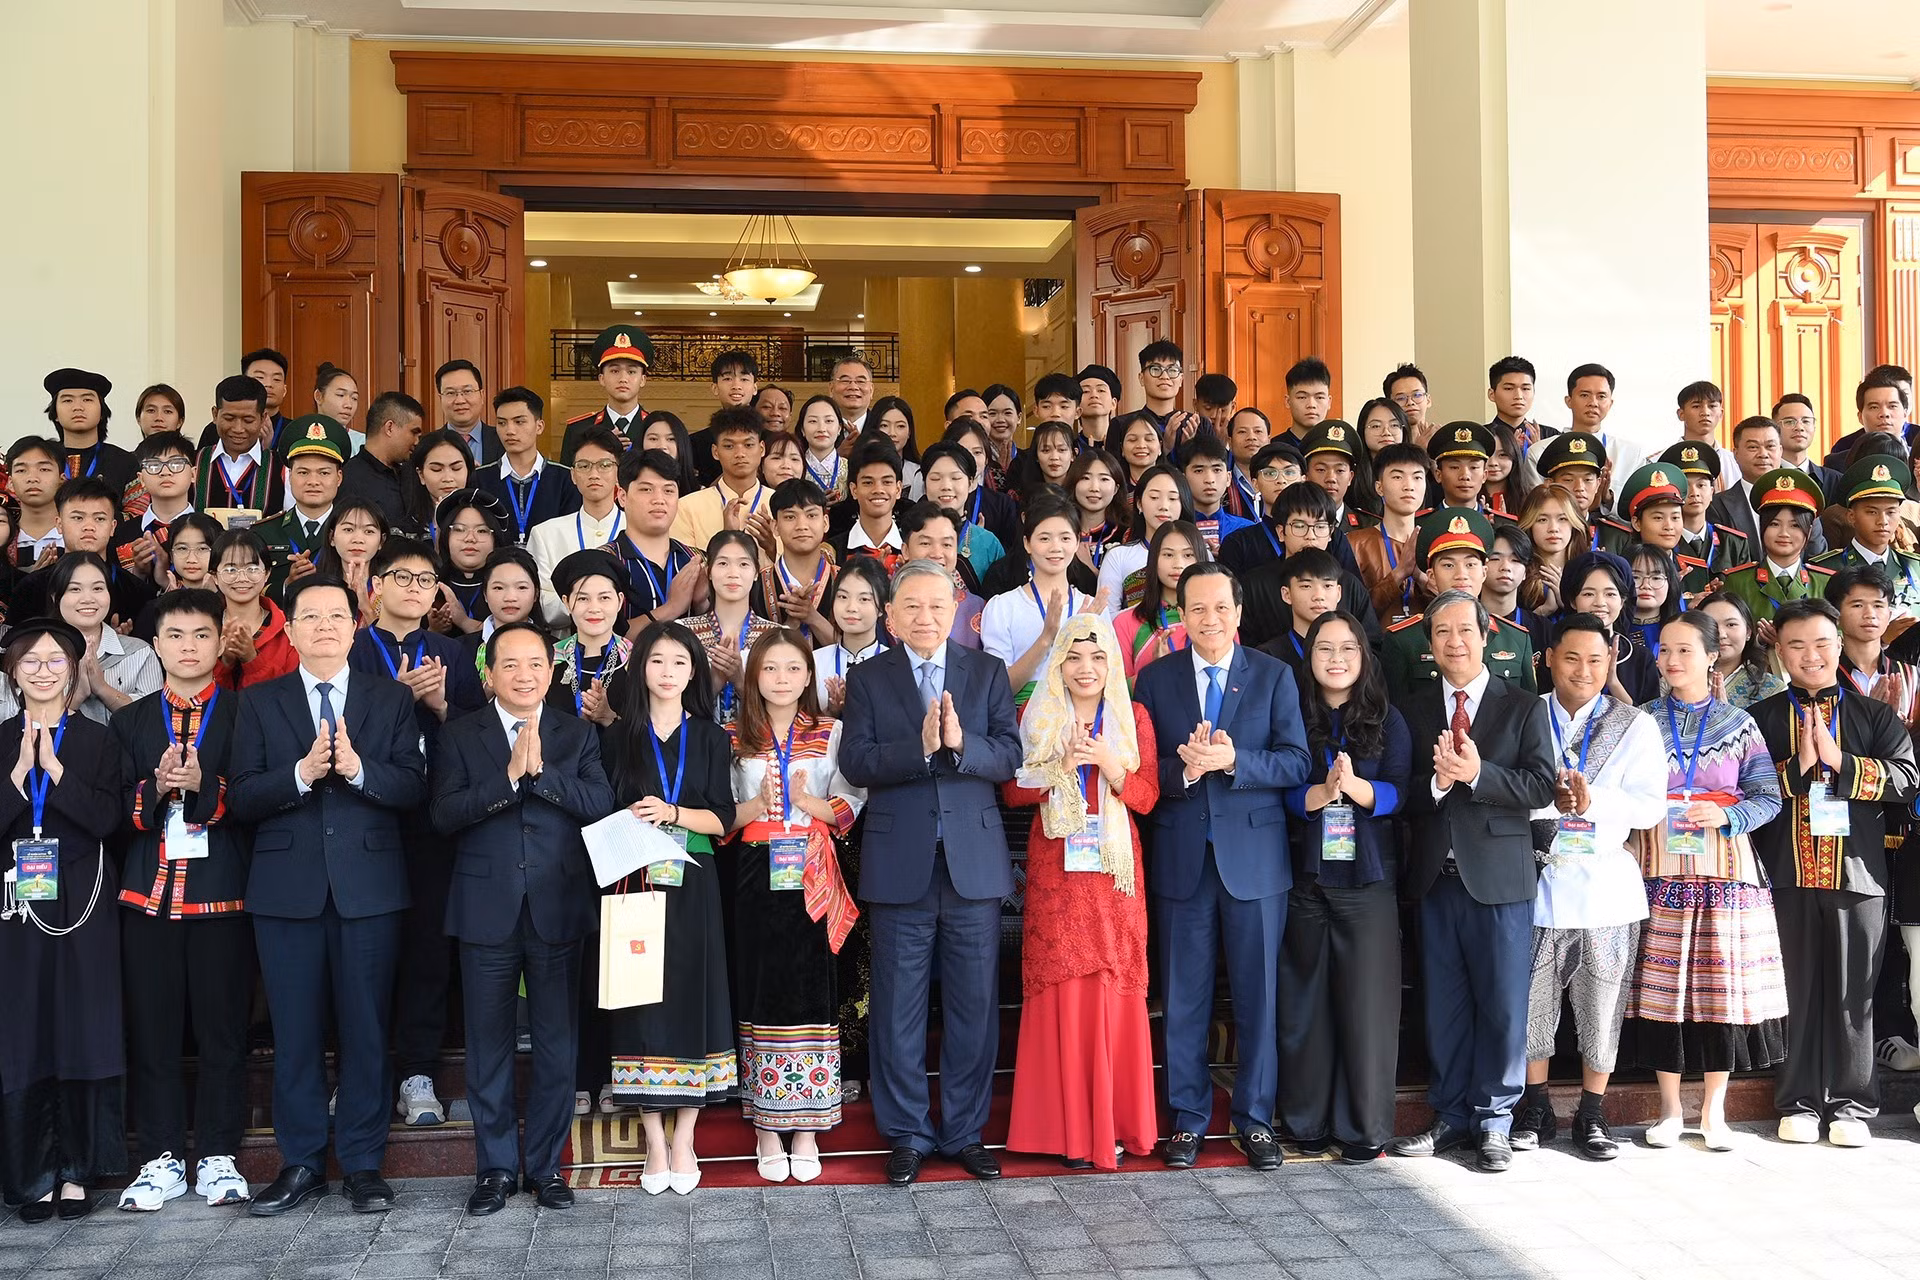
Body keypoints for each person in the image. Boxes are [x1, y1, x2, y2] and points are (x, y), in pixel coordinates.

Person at [228, 576, 428, 1215]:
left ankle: (364, 1164)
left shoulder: (388, 700)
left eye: (335, 616)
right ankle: (302, 1161)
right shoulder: (260, 702)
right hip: (286, 893)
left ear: (355, 623)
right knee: (295, 1030)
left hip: (368, 889)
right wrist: (302, 773)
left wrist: (357, 770)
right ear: (289, 629)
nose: (322, 627)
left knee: (366, 1029)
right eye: (308, 617)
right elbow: (243, 797)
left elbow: (412, 787)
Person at [839, 560, 1022, 1186]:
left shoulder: (987, 671)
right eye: (911, 606)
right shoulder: (868, 679)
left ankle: (965, 1132)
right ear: (890, 616)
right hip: (900, 866)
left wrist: (960, 745)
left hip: (972, 863)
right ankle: (909, 1134)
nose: (925, 617)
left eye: (937, 606)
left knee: (974, 1006)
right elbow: (857, 761)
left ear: (957, 613)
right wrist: (918, 751)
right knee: (898, 1008)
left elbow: (1009, 756)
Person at [431, 621, 613, 1215]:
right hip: (485, 909)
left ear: (552, 670)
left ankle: (546, 1168)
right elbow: (444, 814)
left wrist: (543, 776)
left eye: (535, 663)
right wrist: (507, 778)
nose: (524, 675)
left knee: (558, 1043)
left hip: (558, 904)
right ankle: (495, 1170)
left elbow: (599, 805)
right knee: (489, 1046)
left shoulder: (577, 733)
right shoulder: (460, 735)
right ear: (489, 673)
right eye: (510, 664)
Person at [1133, 562, 1310, 1170]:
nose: (1210, 620)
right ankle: (1186, 1118)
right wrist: (1184, 770)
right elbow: (1140, 773)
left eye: (1221, 608)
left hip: (1256, 862)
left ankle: (1254, 1117)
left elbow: (1295, 763)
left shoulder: (1274, 676)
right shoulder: (1154, 682)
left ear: (1239, 612)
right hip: (1183, 858)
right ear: (1181, 615)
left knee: (1259, 994)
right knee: (1185, 994)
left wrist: (1236, 761)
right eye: (1197, 609)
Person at [1389, 589, 1556, 1173]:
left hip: (1501, 879)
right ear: (1429, 645)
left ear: (1487, 637)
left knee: (1503, 1004)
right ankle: (1450, 1114)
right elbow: (1399, 790)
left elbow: (1541, 788)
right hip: (1437, 879)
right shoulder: (1410, 707)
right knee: (1446, 1004)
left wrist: (1478, 773)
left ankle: (1494, 1120)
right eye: (1441, 633)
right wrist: (1437, 785)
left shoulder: (1523, 706)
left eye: (1465, 630)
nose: (1454, 641)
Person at [1749, 599, 1918, 1146]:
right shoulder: (1765, 717)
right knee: (1794, 991)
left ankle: (1851, 1106)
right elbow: (1743, 792)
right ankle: (1796, 1101)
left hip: (1858, 874)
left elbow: (1907, 780)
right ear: (1781, 652)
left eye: (1822, 643)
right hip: (1785, 875)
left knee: (1855, 995)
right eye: (1796, 644)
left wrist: (1842, 763)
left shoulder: (1874, 716)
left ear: (1840, 645)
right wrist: (1795, 768)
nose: (1810, 655)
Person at [110, 590, 253, 1212]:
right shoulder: (130, 720)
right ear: (157, 644)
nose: (188, 647)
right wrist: (154, 788)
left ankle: (219, 1155)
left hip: (222, 898)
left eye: (201, 635)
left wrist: (206, 788)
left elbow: (260, 799)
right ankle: (160, 1158)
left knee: (223, 1033)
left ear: (220, 640)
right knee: (154, 1033)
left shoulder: (250, 714)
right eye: (175, 635)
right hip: (146, 899)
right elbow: (111, 809)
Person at [1623, 609, 1786, 1150]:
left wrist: (1727, 815)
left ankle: (1714, 1110)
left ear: (1713, 655)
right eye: (1664, 650)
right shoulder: (1641, 720)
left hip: (1725, 874)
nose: (1670, 660)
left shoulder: (1739, 724)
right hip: (1657, 870)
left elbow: (1768, 797)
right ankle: (1669, 1109)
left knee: (1721, 993)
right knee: (1660, 991)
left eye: (1685, 650)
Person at [1002, 614, 1159, 1170]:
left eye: (1097, 657)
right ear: (1059, 665)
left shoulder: (1133, 718)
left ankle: (1111, 1126)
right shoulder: (1037, 716)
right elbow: (1012, 793)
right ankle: (1063, 1130)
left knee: (1112, 984)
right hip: (1057, 872)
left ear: (1111, 663)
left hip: (1114, 876)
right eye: (1074, 657)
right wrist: (1059, 767)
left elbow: (1146, 798)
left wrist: (1113, 767)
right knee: (1061, 984)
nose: (1086, 668)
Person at [1512, 614, 1666, 1161]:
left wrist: (1592, 800)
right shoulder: (1524, 714)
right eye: (1572, 658)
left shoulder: (1635, 725)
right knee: (1533, 998)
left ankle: (1592, 1113)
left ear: (1611, 662)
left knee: (1603, 1000)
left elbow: (1650, 805)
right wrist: (1550, 801)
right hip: (1538, 878)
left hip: (1605, 885)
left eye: (1596, 660)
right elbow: (1508, 787)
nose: (1584, 670)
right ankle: (1533, 1106)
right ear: (1548, 658)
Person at [349, 537, 485, 1129]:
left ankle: (418, 1071)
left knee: (428, 947)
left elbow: (482, 738)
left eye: (425, 579)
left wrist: (439, 707)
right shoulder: (350, 648)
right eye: (400, 577)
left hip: (434, 819)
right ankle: (362, 1073)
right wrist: (391, 703)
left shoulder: (451, 653)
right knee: (365, 953)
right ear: (376, 585)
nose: (412, 588)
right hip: (365, 818)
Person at [600, 623, 737, 1192]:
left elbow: (724, 818)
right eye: (656, 661)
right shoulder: (615, 737)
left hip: (692, 879)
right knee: (640, 1005)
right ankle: (654, 1140)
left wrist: (673, 813)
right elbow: (600, 811)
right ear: (641, 670)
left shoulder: (710, 737)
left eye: (679, 662)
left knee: (692, 998)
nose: (667, 671)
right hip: (632, 882)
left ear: (693, 672)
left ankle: (685, 1139)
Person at [0, 619, 128, 1221]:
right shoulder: (1, 740)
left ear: (74, 669)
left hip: (82, 894)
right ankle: (33, 1176)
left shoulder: (99, 742)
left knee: (81, 1021)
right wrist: (20, 776)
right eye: (32, 661)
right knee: (25, 1026)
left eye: (57, 660)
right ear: (14, 674)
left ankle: (77, 1170)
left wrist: (56, 771)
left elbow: (108, 820)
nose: (45, 670)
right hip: (16, 899)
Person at [726, 629, 864, 1182]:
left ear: (808, 675)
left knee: (811, 986)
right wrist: (753, 805)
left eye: (792, 669)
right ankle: (764, 1125)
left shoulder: (830, 732)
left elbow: (855, 801)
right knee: (760, 985)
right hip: (755, 869)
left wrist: (812, 803)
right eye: (769, 669)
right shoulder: (733, 736)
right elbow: (718, 815)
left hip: (811, 864)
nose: (781, 679)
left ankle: (805, 1125)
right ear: (753, 675)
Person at [1278, 610, 1410, 1163]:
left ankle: (1362, 1129)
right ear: (1309, 657)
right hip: (1304, 876)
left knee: (1366, 1008)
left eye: (1347, 649)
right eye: (1325, 649)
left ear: (1364, 656)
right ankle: (1305, 1122)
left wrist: (1357, 788)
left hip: (1366, 879)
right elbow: (1277, 783)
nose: (1336, 659)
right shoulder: (1289, 711)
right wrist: (1315, 794)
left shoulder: (1389, 718)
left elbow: (1403, 794)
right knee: (1303, 1004)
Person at [1383, 508, 1536, 698]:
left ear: (1484, 572)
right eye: (1448, 565)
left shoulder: (1516, 639)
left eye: (1470, 564)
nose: (1461, 574)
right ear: (1431, 575)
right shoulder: (1404, 640)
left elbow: (1527, 710)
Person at [13, 553, 162, 724]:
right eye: (75, 589)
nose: (88, 599)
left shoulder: (140, 653)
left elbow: (153, 723)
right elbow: (24, 725)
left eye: (98, 588)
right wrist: (76, 697)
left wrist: (102, 689)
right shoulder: (33, 656)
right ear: (55, 596)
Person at [529, 426, 628, 619]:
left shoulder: (637, 529)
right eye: (584, 466)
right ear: (573, 475)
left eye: (605, 465)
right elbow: (540, 600)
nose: (594, 474)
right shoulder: (546, 534)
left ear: (619, 473)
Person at [1717, 467, 1835, 628]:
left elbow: (1837, 636)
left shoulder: (1825, 582)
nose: (1784, 533)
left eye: (1795, 525)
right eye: (1774, 524)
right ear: (1762, 528)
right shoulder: (1738, 581)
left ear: (1808, 532)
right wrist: (1758, 641)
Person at [683, 531, 776, 728]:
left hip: (761, 751)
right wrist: (715, 682)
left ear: (756, 573)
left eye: (743, 564)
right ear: (708, 572)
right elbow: (670, 707)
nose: (733, 573)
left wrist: (740, 682)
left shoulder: (776, 637)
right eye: (723, 563)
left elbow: (785, 709)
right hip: (696, 750)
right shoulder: (682, 634)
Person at [252, 417, 351, 600]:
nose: (313, 481)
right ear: (289, 477)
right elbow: (248, 591)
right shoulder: (262, 532)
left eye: (324, 473)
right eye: (303, 472)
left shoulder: (354, 532)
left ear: (339, 478)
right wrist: (286, 586)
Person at [1811, 455, 1920, 617]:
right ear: (1851, 516)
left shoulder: (1915, 567)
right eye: (1872, 512)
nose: (1883, 521)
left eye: (1891, 512)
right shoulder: (1824, 570)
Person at [477, 388, 575, 546]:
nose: (510, 430)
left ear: (539, 426)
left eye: (519, 422)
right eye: (502, 423)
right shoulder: (480, 479)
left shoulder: (565, 479)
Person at [549, 549, 635, 724]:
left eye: (604, 598)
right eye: (582, 599)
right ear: (566, 602)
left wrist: (609, 717)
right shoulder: (548, 659)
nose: (594, 608)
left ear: (619, 601)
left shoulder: (638, 660)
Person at [1349, 443, 1430, 624]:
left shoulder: (1435, 543)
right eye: (1397, 477)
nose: (1409, 486)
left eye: (1417, 477)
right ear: (1379, 487)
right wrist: (1399, 574)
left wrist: (1421, 578)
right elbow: (1351, 612)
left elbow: (1453, 606)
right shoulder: (1354, 544)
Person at [1097, 463, 1192, 617]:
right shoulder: (1118, 557)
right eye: (1154, 497)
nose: (1164, 506)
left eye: (1173, 498)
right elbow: (1107, 618)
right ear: (1139, 503)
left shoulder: (1198, 553)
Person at [1114, 520, 1205, 680]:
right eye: (1168, 555)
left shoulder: (1218, 619)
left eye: (1188, 555)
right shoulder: (1125, 622)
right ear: (1153, 560)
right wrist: (1154, 672)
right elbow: (1118, 693)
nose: (1178, 564)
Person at [208, 529, 298, 690]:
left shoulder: (290, 630)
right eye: (230, 570)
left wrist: (252, 659)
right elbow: (196, 693)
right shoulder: (204, 626)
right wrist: (225, 662)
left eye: (252, 569)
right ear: (214, 576)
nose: (242, 578)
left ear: (267, 574)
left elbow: (290, 694)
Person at [193, 375, 283, 520]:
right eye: (229, 418)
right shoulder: (193, 462)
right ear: (215, 415)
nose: (238, 428)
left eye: (248, 420)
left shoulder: (282, 468)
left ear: (263, 418)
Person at [561, 325, 651, 462]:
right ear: (601, 378)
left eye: (631, 372)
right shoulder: (579, 430)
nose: (623, 379)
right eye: (614, 371)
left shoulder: (655, 428)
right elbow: (568, 480)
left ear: (643, 379)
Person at [45, 367, 136, 497]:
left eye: (87, 400)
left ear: (102, 413)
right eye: (67, 400)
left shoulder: (124, 461)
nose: (78, 407)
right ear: (55, 414)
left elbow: (136, 511)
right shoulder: (41, 459)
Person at [342, 391, 424, 534]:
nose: (417, 441)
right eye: (413, 432)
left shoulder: (415, 473)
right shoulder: (348, 478)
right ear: (390, 427)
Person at [1697, 590, 1784, 709]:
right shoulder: (1677, 679)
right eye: (1711, 626)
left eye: (1731, 625)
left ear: (1748, 631)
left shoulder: (1772, 689)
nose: (1721, 634)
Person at [433, 359, 504, 465]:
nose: (460, 400)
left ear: (482, 395)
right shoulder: (427, 445)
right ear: (440, 399)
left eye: (467, 391)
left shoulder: (503, 439)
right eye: (450, 393)